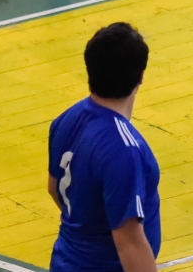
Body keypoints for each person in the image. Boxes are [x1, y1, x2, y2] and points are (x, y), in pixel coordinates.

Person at [48, 22, 160, 272]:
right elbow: (129, 243)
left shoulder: (66, 120)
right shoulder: (124, 149)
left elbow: (54, 188)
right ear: (141, 76)